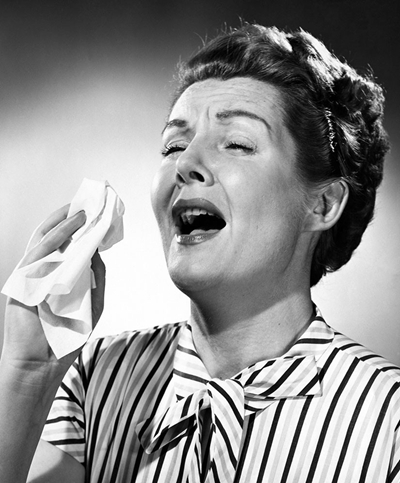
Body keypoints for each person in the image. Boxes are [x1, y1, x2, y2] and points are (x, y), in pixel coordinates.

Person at [0, 23, 398, 483]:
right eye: (174, 145)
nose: (185, 163)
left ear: (322, 204)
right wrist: (27, 375)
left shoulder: (388, 421)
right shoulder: (96, 380)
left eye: (237, 144)